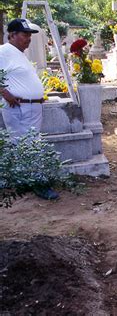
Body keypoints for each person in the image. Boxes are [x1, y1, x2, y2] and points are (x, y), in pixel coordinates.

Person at [0, 18, 58, 200]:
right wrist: (5, 93)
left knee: (29, 145)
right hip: (19, 107)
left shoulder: (19, 54)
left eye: (29, 35)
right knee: (29, 145)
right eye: (25, 35)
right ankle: (39, 184)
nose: (28, 39)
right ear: (12, 35)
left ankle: (27, 180)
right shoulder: (4, 51)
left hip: (31, 107)